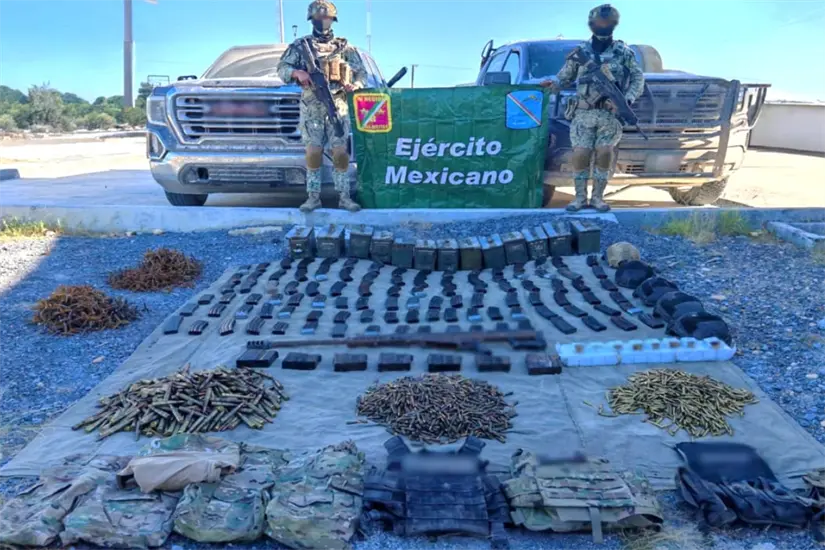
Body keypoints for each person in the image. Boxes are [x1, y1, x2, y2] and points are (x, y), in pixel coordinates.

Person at [540, 4, 644, 212]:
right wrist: (551, 86)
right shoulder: (581, 53)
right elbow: (564, 78)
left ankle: (597, 198)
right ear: (592, 25)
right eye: (599, 22)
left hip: (609, 114)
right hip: (583, 113)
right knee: (580, 155)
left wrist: (628, 99)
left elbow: (637, 77)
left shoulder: (623, 52)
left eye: (607, 23)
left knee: (605, 154)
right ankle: (579, 198)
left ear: (614, 24)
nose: (602, 26)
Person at [277, 0, 367, 213]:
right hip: (312, 107)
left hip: (338, 104)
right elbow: (282, 69)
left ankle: (344, 197)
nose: (322, 22)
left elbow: (361, 72)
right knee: (313, 153)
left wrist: (355, 85)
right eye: (318, 19)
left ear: (332, 20)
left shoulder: (345, 47)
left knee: (340, 153)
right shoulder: (301, 46)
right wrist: (296, 73)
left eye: (326, 18)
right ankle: (313, 197)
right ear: (312, 20)